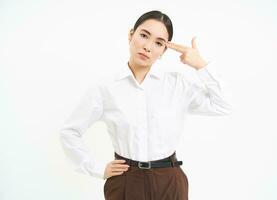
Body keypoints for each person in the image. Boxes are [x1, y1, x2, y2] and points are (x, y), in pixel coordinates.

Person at [59, 10, 232, 200]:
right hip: (125, 180)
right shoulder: (105, 88)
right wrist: (97, 168)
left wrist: (201, 65)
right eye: (143, 35)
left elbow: (223, 105)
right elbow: (70, 131)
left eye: (158, 43)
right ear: (130, 35)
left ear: (163, 51)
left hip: (169, 180)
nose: (148, 47)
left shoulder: (177, 84)